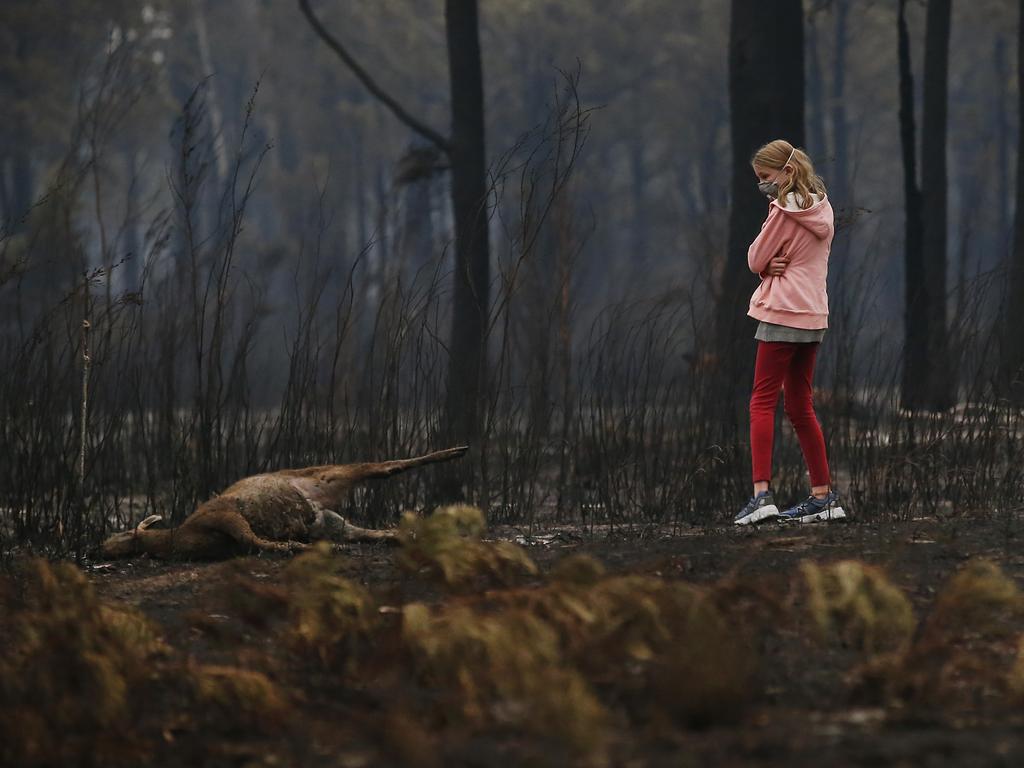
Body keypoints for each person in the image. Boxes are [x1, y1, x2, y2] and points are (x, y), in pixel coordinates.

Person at [733, 139, 847, 526]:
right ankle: (823, 496)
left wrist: (768, 268)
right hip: (814, 314)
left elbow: (753, 259)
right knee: (801, 405)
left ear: (786, 171)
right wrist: (774, 265)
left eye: (765, 177)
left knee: (762, 401)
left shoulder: (782, 210)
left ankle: (761, 494)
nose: (763, 185)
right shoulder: (824, 207)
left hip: (781, 312)